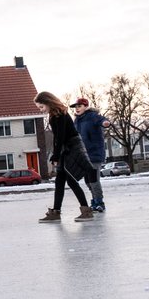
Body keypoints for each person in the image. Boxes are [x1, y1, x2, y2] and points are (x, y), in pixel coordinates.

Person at [34, 91, 96, 223]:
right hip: (65, 148)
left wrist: (56, 155)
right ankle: (56, 212)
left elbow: (61, 136)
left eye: (41, 107)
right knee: (59, 182)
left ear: (48, 102)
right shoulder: (53, 115)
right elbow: (58, 137)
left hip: (71, 147)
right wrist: (56, 154)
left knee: (71, 180)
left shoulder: (60, 115)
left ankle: (86, 211)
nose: (41, 110)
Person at [71, 97, 110, 212]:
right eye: (76, 107)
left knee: (94, 179)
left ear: (85, 106)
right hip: (83, 154)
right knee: (87, 180)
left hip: (94, 153)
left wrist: (105, 123)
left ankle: (99, 202)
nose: (77, 109)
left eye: (79, 106)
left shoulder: (92, 116)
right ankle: (94, 199)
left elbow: (102, 120)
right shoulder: (77, 120)